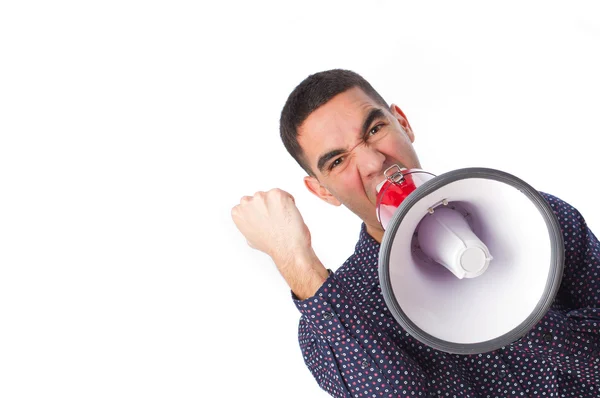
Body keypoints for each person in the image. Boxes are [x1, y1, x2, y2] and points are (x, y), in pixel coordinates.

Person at [231, 69, 600, 397]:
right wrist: (297, 262)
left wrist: (513, 310)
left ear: (403, 124)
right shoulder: (330, 322)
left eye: (375, 130)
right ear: (322, 190)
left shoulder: (535, 217)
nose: (375, 163)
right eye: (339, 161)